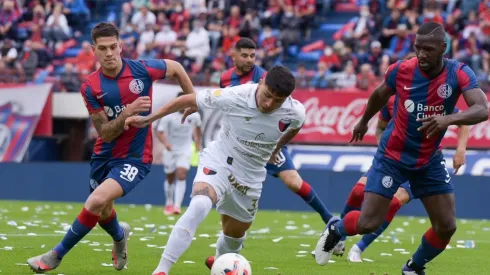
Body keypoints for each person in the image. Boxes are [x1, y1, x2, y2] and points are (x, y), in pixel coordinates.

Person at [314, 22, 488, 275]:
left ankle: (413, 267)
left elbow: (482, 109)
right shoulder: (402, 70)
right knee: (367, 223)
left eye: (428, 49)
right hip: (392, 157)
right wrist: (363, 122)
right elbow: (378, 95)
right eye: (418, 48)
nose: (421, 54)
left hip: (429, 160)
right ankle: (336, 229)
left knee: (447, 226)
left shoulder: (459, 73)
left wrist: (447, 119)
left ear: (443, 48)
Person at [26, 22, 196, 273]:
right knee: (103, 212)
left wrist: (192, 99)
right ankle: (119, 236)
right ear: (94, 50)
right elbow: (105, 132)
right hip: (104, 155)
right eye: (102, 48)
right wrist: (127, 112)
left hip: (135, 158)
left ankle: (55, 255)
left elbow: (177, 68)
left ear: (121, 46)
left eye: (113, 47)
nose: (109, 53)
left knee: (95, 201)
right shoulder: (90, 86)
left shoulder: (142, 70)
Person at [125, 65, 305, 275]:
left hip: (251, 175)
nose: (269, 103)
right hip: (220, 160)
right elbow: (187, 99)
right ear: (262, 82)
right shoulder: (236, 95)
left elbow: (296, 125)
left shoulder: (295, 110)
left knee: (234, 238)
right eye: (267, 95)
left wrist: (278, 147)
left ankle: (220, 262)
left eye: (278, 100)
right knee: (200, 204)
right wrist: (148, 119)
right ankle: (161, 270)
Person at [220, 37, 334, 227]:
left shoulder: (266, 78)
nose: (249, 60)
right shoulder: (225, 79)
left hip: (267, 141)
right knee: (230, 192)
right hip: (240, 142)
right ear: (233, 55)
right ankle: (228, 237)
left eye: (252, 56)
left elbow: (285, 109)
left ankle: (328, 218)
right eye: (244, 55)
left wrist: (275, 146)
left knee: (293, 182)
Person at [341, 96, 469, 262]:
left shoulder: (431, 98)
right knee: (358, 191)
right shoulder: (391, 99)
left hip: (424, 164)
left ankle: (359, 248)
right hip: (393, 161)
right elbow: (380, 127)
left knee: (395, 202)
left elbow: (463, 121)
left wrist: (461, 149)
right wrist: (384, 150)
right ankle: (337, 235)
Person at [156, 91, 202, 215]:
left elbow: (198, 128)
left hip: (185, 149)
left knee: (182, 175)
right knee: (170, 177)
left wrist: (197, 143)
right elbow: (160, 132)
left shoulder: (194, 116)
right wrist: (166, 144)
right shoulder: (168, 116)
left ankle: (177, 206)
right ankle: (169, 203)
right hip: (170, 150)